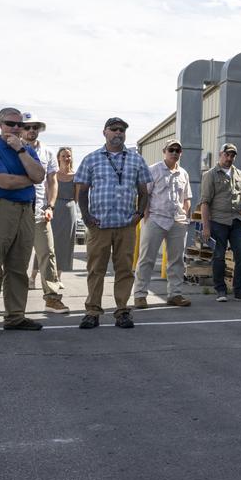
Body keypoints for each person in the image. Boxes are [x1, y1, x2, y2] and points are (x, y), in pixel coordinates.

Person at [0, 108, 46, 335]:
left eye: (19, 125)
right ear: (0, 124)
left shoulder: (26, 150)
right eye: (9, 123)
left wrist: (21, 150)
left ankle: (15, 316)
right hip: (1, 208)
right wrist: (28, 179)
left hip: (26, 211)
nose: (15, 128)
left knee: (18, 266)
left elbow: (40, 176)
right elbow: (4, 182)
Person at [74, 117, 151, 329]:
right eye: (114, 129)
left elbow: (144, 191)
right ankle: (92, 311)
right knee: (96, 268)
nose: (118, 133)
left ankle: (122, 311)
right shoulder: (91, 159)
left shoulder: (136, 159)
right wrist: (87, 217)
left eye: (122, 130)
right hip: (99, 224)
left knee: (125, 269)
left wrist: (139, 214)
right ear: (104, 132)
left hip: (126, 224)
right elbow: (82, 191)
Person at [134, 139, 193, 308]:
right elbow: (144, 194)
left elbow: (187, 198)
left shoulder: (184, 173)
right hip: (156, 219)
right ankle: (140, 295)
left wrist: (185, 215)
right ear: (164, 151)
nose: (174, 153)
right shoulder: (153, 170)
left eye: (178, 150)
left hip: (177, 222)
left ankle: (175, 294)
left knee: (176, 261)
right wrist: (146, 216)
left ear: (180, 153)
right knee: (146, 259)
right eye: (171, 149)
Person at [20, 113, 67, 314]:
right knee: (15, 258)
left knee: (47, 254)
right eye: (27, 127)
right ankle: (14, 305)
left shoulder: (47, 152)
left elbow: (52, 181)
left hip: (40, 211)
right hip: (17, 210)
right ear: (20, 129)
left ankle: (52, 299)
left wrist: (51, 205)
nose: (31, 131)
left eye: (35, 127)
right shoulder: (13, 149)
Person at [198, 143, 241, 302]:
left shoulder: (240, 174)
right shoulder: (210, 175)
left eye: (232, 155)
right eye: (227, 154)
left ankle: (239, 290)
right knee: (219, 256)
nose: (229, 158)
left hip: (236, 221)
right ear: (220, 154)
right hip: (218, 221)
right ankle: (220, 290)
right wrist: (206, 227)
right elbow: (205, 203)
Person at [50, 146, 78, 272]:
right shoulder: (53, 175)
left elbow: (76, 197)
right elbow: (48, 194)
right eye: (63, 156)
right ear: (58, 158)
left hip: (69, 212)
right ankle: (33, 276)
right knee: (48, 243)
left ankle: (58, 276)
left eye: (68, 156)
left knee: (65, 243)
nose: (66, 158)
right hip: (54, 210)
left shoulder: (76, 176)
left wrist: (69, 206)